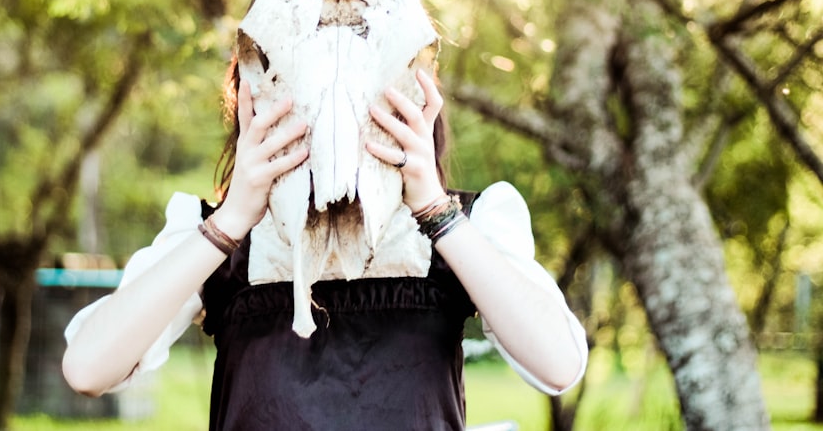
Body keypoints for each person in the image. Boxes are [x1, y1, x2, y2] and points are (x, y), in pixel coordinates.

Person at [63, 60, 588, 430]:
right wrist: (230, 222)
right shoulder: (217, 237)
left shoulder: (464, 228)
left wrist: (434, 209)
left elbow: (557, 364)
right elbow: (87, 369)